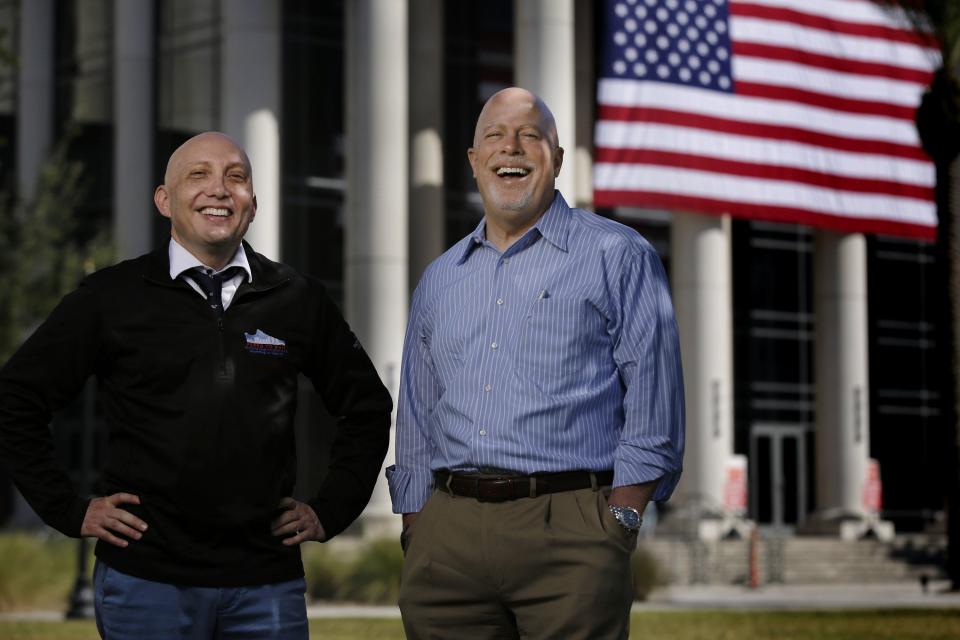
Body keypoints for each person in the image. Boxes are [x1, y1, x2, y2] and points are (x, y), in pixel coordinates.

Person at [0, 132, 393, 639]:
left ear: (253, 203)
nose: (220, 190)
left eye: (236, 177)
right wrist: (67, 509)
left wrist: (331, 507)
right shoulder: (112, 297)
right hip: (145, 583)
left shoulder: (296, 299)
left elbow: (366, 406)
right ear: (165, 200)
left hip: (266, 585)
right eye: (198, 175)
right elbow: (16, 398)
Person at [387, 87, 685, 639]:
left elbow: (654, 397)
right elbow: (417, 414)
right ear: (475, 162)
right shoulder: (440, 277)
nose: (513, 147)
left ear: (557, 159)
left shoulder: (617, 254)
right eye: (495, 135)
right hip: (446, 538)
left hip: (573, 528)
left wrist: (621, 519)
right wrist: (417, 527)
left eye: (531, 136)